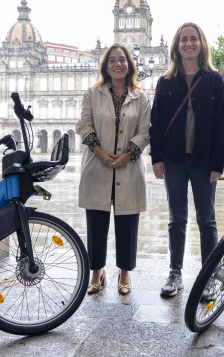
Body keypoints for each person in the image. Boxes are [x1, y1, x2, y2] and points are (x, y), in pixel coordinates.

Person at [149, 22, 224, 298]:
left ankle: (208, 275)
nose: (189, 43)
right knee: (177, 219)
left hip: (203, 160)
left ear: (201, 44)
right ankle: (175, 273)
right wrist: (156, 158)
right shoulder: (166, 82)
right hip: (173, 160)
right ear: (176, 46)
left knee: (206, 219)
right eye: (183, 39)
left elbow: (223, 124)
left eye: (193, 39)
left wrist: (218, 163)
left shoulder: (215, 80)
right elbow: (157, 123)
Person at [76, 43, 151, 296]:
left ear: (130, 65)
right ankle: (96, 271)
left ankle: (125, 272)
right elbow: (84, 126)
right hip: (98, 165)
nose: (118, 64)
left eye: (123, 60)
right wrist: (98, 150)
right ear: (105, 67)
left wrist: (129, 154)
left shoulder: (141, 97)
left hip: (128, 167)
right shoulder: (92, 94)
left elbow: (145, 131)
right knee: (96, 221)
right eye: (112, 61)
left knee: (127, 221)